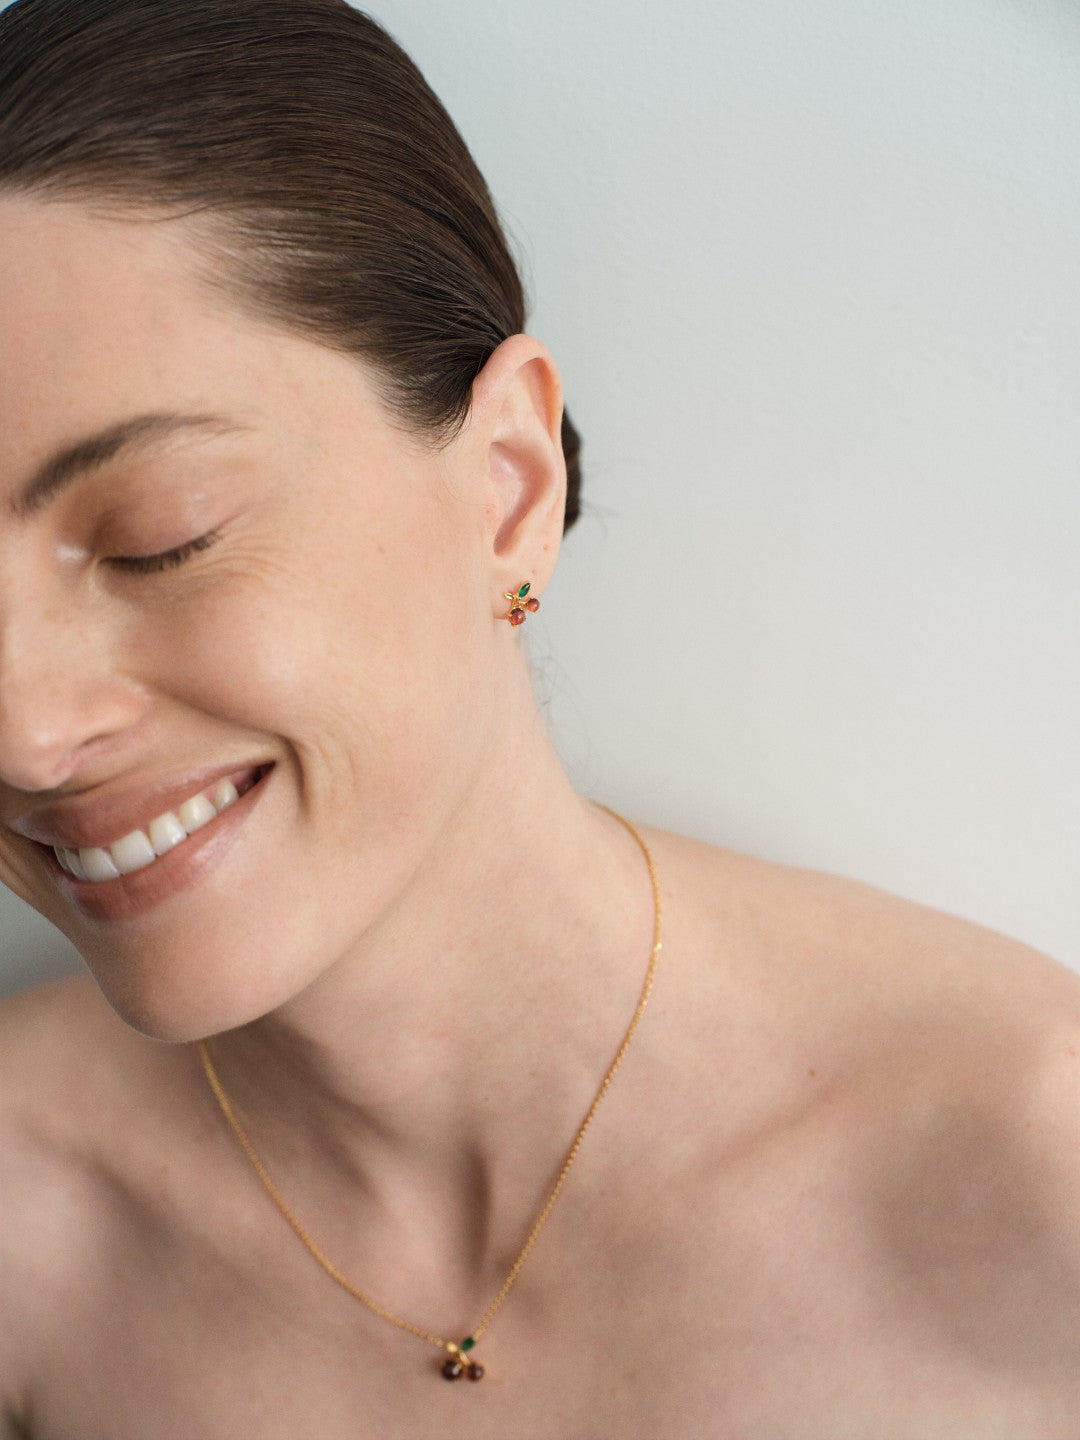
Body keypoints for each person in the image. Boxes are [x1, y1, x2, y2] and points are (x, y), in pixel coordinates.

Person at [1, 1, 1078, 1434]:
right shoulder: (25, 1221)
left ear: (509, 485)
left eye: (161, 536)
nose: (25, 736)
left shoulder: (1036, 1173)